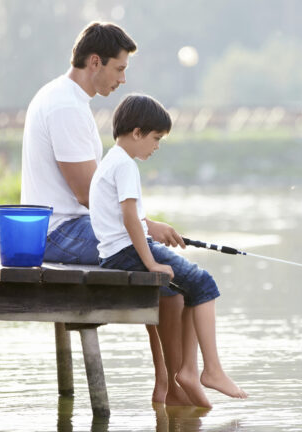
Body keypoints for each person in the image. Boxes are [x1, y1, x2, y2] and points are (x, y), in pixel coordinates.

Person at [19, 21, 191, 406]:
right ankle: (171, 385)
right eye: (119, 68)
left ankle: (168, 382)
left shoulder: (64, 97)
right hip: (59, 232)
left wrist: (144, 229)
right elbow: (87, 194)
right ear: (94, 62)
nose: (123, 79)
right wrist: (145, 227)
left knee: (157, 262)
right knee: (164, 268)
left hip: (64, 226)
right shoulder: (65, 105)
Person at [90, 94, 248, 406]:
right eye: (155, 138)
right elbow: (130, 219)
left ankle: (188, 372)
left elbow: (128, 219)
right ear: (137, 132)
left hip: (114, 253)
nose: (157, 146)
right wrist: (150, 262)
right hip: (128, 253)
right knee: (205, 283)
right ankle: (211, 370)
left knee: (191, 289)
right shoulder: (125, 166)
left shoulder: (111, 161)